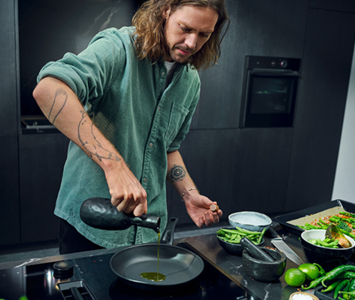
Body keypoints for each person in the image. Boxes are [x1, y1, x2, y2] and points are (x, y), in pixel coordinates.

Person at [33, 0, 229, 254]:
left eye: (204, 34)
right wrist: (114, 164)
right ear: (166, 11)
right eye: (185, 28)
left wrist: (189, 194)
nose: (192, 43)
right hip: (92, 221)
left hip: (148, 228)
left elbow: (167, 148)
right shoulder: (118, 47)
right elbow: (48, 90)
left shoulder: (191, 81)